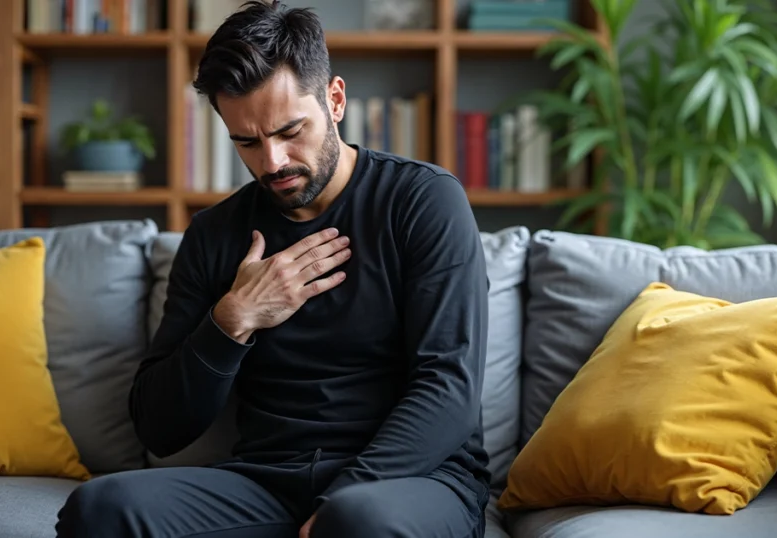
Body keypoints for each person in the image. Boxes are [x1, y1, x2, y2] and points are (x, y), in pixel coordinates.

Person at [54, 1, 491, 536]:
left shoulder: (422, 201)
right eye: (247, 141)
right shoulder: (216, 234)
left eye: (290, 131)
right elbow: (158, 428)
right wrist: (232, 320)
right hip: (266, 482)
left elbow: (449, 388)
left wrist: (342, 498)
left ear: (335, 100)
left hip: (414, 482)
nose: (273, 161)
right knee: (99, 508)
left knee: (356, 522)